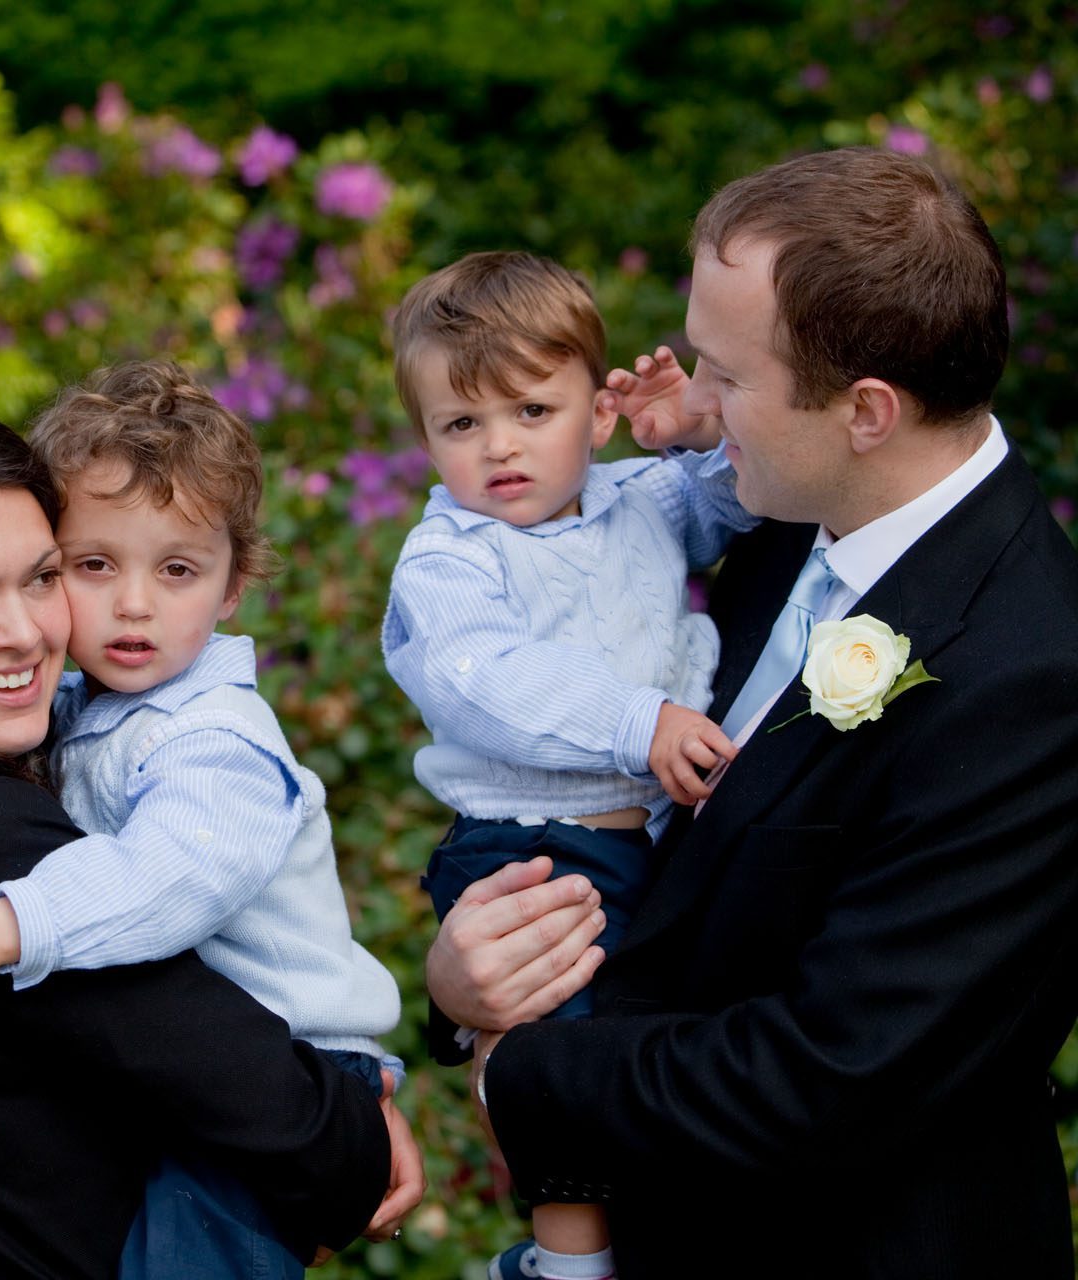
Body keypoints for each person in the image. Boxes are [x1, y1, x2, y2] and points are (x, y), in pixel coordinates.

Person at [425, 147, 1078, 1276]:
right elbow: (681, 895)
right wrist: (465, 987)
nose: (692, 400)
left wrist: (517, 1072)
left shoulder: (1034, 676)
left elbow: (830, 1074)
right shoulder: (790, 506)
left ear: (865, 410)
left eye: (725, 375)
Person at [0, 390, 419, 1278]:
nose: (24, 633)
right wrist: (356, 1137)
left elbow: (172, 885)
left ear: (232, 583)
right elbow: (235, 1078)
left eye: (41, 577)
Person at [380, 252, 756, 1280]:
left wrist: (693, 432)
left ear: (600, 414)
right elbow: (490, 682)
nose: (498, 445)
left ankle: (643, 1243)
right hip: (531, 844)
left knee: (657, 1052)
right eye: (462, 423)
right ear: (428, 440)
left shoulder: (641, 499)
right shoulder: (451, 559)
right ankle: (566, 1264)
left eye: (533, 411)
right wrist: (641, 721)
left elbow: (747, 501)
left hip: (654, 841)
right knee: (553, 1043)